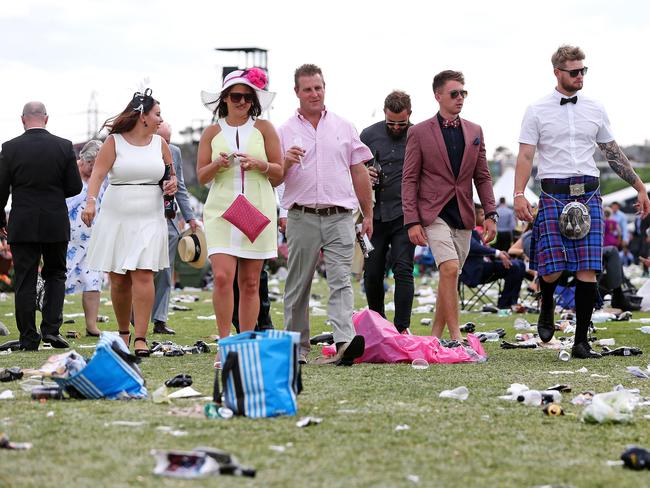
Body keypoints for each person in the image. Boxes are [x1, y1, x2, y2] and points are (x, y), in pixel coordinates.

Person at [514, 45, 650, 359]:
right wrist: (520, 193)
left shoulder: (596, 108)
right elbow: (525, 155)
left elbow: (611, 151)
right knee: (552, 269)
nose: (580, 77)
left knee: (588, 268)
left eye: (583, 71)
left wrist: (640, 187)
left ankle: (580, 343)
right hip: (552, 193)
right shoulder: (536, 109)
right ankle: (546, 298)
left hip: (588, 192)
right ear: (557, 72)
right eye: (574, 72)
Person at [278, 63, 372, 365]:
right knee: (298, 284)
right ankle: (297, 348)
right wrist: (285, 161)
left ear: (324, 88)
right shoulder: (283, 131)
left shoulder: (344, 127)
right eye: (308, 89)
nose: (314, 93)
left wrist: (367, 213)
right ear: (297, 92)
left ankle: (344, 343)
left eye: (318, 87)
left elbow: (359, 171)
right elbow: (273, 179)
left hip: (341, 215)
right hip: (301, 215)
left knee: (341, 280)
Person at [82, 89, 177, 357]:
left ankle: (141, 337)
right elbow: (98, 175)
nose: (161, 119)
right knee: (120, 278)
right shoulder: (114, 142)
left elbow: (171, 177)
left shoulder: (161, 144)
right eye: (157, 114)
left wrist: (171, 184)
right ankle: (124, 332)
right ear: (143, 116)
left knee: (144, 273)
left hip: (150, 213)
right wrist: (90, 202)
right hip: (117, 212)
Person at [402, 70, 496, 341]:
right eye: (454, 93)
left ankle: (434, 337)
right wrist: (412, 220)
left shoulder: (475, 131)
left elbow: (483, 176)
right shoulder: (419, 132)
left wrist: (490, 213)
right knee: (450, 268)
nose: (460, 98)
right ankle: (455, 338)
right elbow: (409, 179)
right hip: (432, 213)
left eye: (463, 93)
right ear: (438, 96)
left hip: (464, 213)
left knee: (449, 275)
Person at [197, 67, 282, 341]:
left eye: (248, 97)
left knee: (251, 283)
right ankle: (224, 342)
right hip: (220, 210)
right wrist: (216, 164)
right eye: (236, 96)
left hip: (257, 209)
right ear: (224, 98)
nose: (242, 102)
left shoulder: (265, 128)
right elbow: (201, 177)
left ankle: (244, 341)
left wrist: (261, 164)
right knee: (222, 278)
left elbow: (279, 174)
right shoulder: (211, 132)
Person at [0, 101, 82, 350]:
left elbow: (1, 189)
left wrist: (1, 221)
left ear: (23, 119)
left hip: (23, 221)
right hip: (54, 221)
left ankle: (28, 337)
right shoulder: (64, 146)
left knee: (24, 279)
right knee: (55, 274)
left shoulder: (9, 148)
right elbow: (75, 187)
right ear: (46, 119)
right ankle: (51, 330)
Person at [360, 90, 414, 334]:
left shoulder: (417, 135)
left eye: (400, 123)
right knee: (372, 272)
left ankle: (402, 327)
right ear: (384, 113)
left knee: (403, 269)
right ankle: (378, 325)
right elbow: (353, 168)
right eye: (391, 122)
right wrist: (364, 175)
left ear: (410, 115)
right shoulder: (368, 134)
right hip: (374, 213)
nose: (395, 127)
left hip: (405, 214)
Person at [151, 122, 198, 335]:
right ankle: (136, 311)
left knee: (166, 270)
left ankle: (160, 319)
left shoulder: (175, 153)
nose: (166, 145)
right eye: (163, 140)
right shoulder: (139, 152)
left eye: (169, 140)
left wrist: (190, 218)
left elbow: (180, 188)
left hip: (168, 218)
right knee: (142, 270)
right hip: (143, 217)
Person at [65, 140, 107, 337]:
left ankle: (92, 325)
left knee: (93, 281)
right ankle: (51, 324)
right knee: (59, 280)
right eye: (91, 164)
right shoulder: (68, 173)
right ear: (83, 159)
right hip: (67, 239)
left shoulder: (102, 177)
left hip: (93, 238)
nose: (94, 169)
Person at [460, 204, 525, 309]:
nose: (485, 217)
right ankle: (505, 303)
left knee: (520, 264)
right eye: (482, 214)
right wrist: (497, 253)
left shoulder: (475, 231)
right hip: (475, 271)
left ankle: (512, 301)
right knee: (514, 267)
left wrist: (500, 254)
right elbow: (473, 247)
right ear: (473, 215)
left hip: (486, 265)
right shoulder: (465, 230)